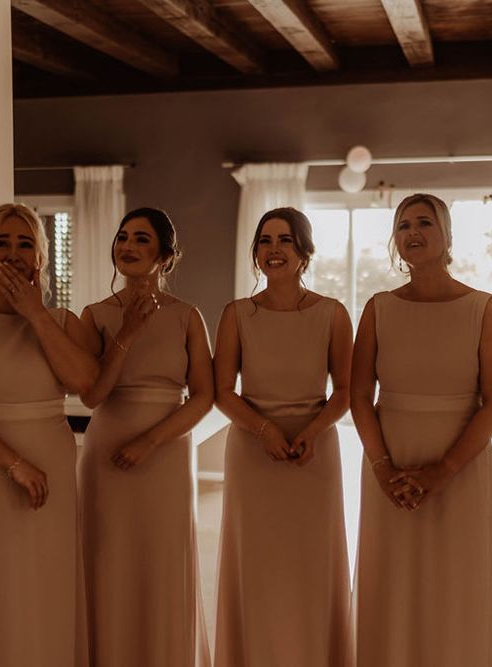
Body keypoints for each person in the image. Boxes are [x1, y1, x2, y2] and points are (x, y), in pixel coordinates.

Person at [350, 193, 492, 666]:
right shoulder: (378, 307)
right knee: (394, 578)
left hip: (459, 465)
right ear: (395, 240)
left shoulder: (484, 308)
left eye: (424, 222)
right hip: (391, 461)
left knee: (456, 578)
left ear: (446, 237)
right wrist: (382, 468)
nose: (413, 232)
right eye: (403, 225)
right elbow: (360, 396)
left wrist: (443, 470)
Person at [213, 207, 352, 666]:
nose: (274, 250)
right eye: (265, 241)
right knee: (258, 567)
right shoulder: (236, 314)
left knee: (311, 566)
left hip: (315, 455)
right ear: (255, 253)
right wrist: (264, 429)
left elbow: (347, 392)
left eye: (285, 240)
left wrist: (312, 431)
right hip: (253, 455)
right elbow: (220, 392)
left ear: (304, 251)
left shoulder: (332, 314)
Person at [77, 207, 213, 667]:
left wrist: (150, 442)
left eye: (141, 239)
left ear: (165, 257)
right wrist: (127, 334)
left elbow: (203, 397)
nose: (127, 246)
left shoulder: (187, 317)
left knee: (161, 561)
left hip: (167, 452)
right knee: (109, 559)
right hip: (105, 450)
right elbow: (93, 395)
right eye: (122, 237)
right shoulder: (93, 315)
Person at [0, 203, 97, 666]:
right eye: (1, 243)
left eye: (24, 243)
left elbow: (86, 386)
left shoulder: (62, 322)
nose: (12, 253)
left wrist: (35, 314)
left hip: (53, 469)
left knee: (45, 580)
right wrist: (14, 464)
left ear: (40, 258)